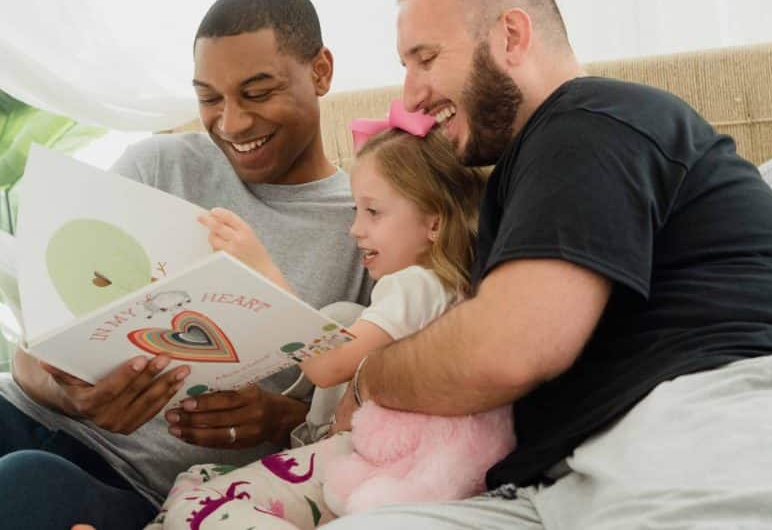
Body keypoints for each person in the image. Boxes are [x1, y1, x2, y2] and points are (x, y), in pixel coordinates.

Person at [325, 0, 772, 529]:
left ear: (510, 35)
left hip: (730, 420)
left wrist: (370, 376)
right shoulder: (531, 169)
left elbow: (510, 346)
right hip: (569, 478)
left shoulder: (591, 120)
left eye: (425, 58)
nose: (411, 95)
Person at [0, 0, 372, 530]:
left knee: (8, 491)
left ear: (321, 71)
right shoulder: (156, 166)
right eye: (209, 98)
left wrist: (275, 420)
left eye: (257, 93)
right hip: (4, 411)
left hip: (132, 483)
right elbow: (28, 360)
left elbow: (370, 417)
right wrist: (74, 398)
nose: (231, 123)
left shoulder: (368, 225)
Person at [149, 117, 510, 529]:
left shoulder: (417, 285)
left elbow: (326, 365)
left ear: (434, 222)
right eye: (357, 211)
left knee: (201, 501)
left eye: (373, 212)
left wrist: (263, 272)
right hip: (406, 459)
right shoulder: (447, 289)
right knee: (196, 480)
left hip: (393, 463)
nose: (356, 230)